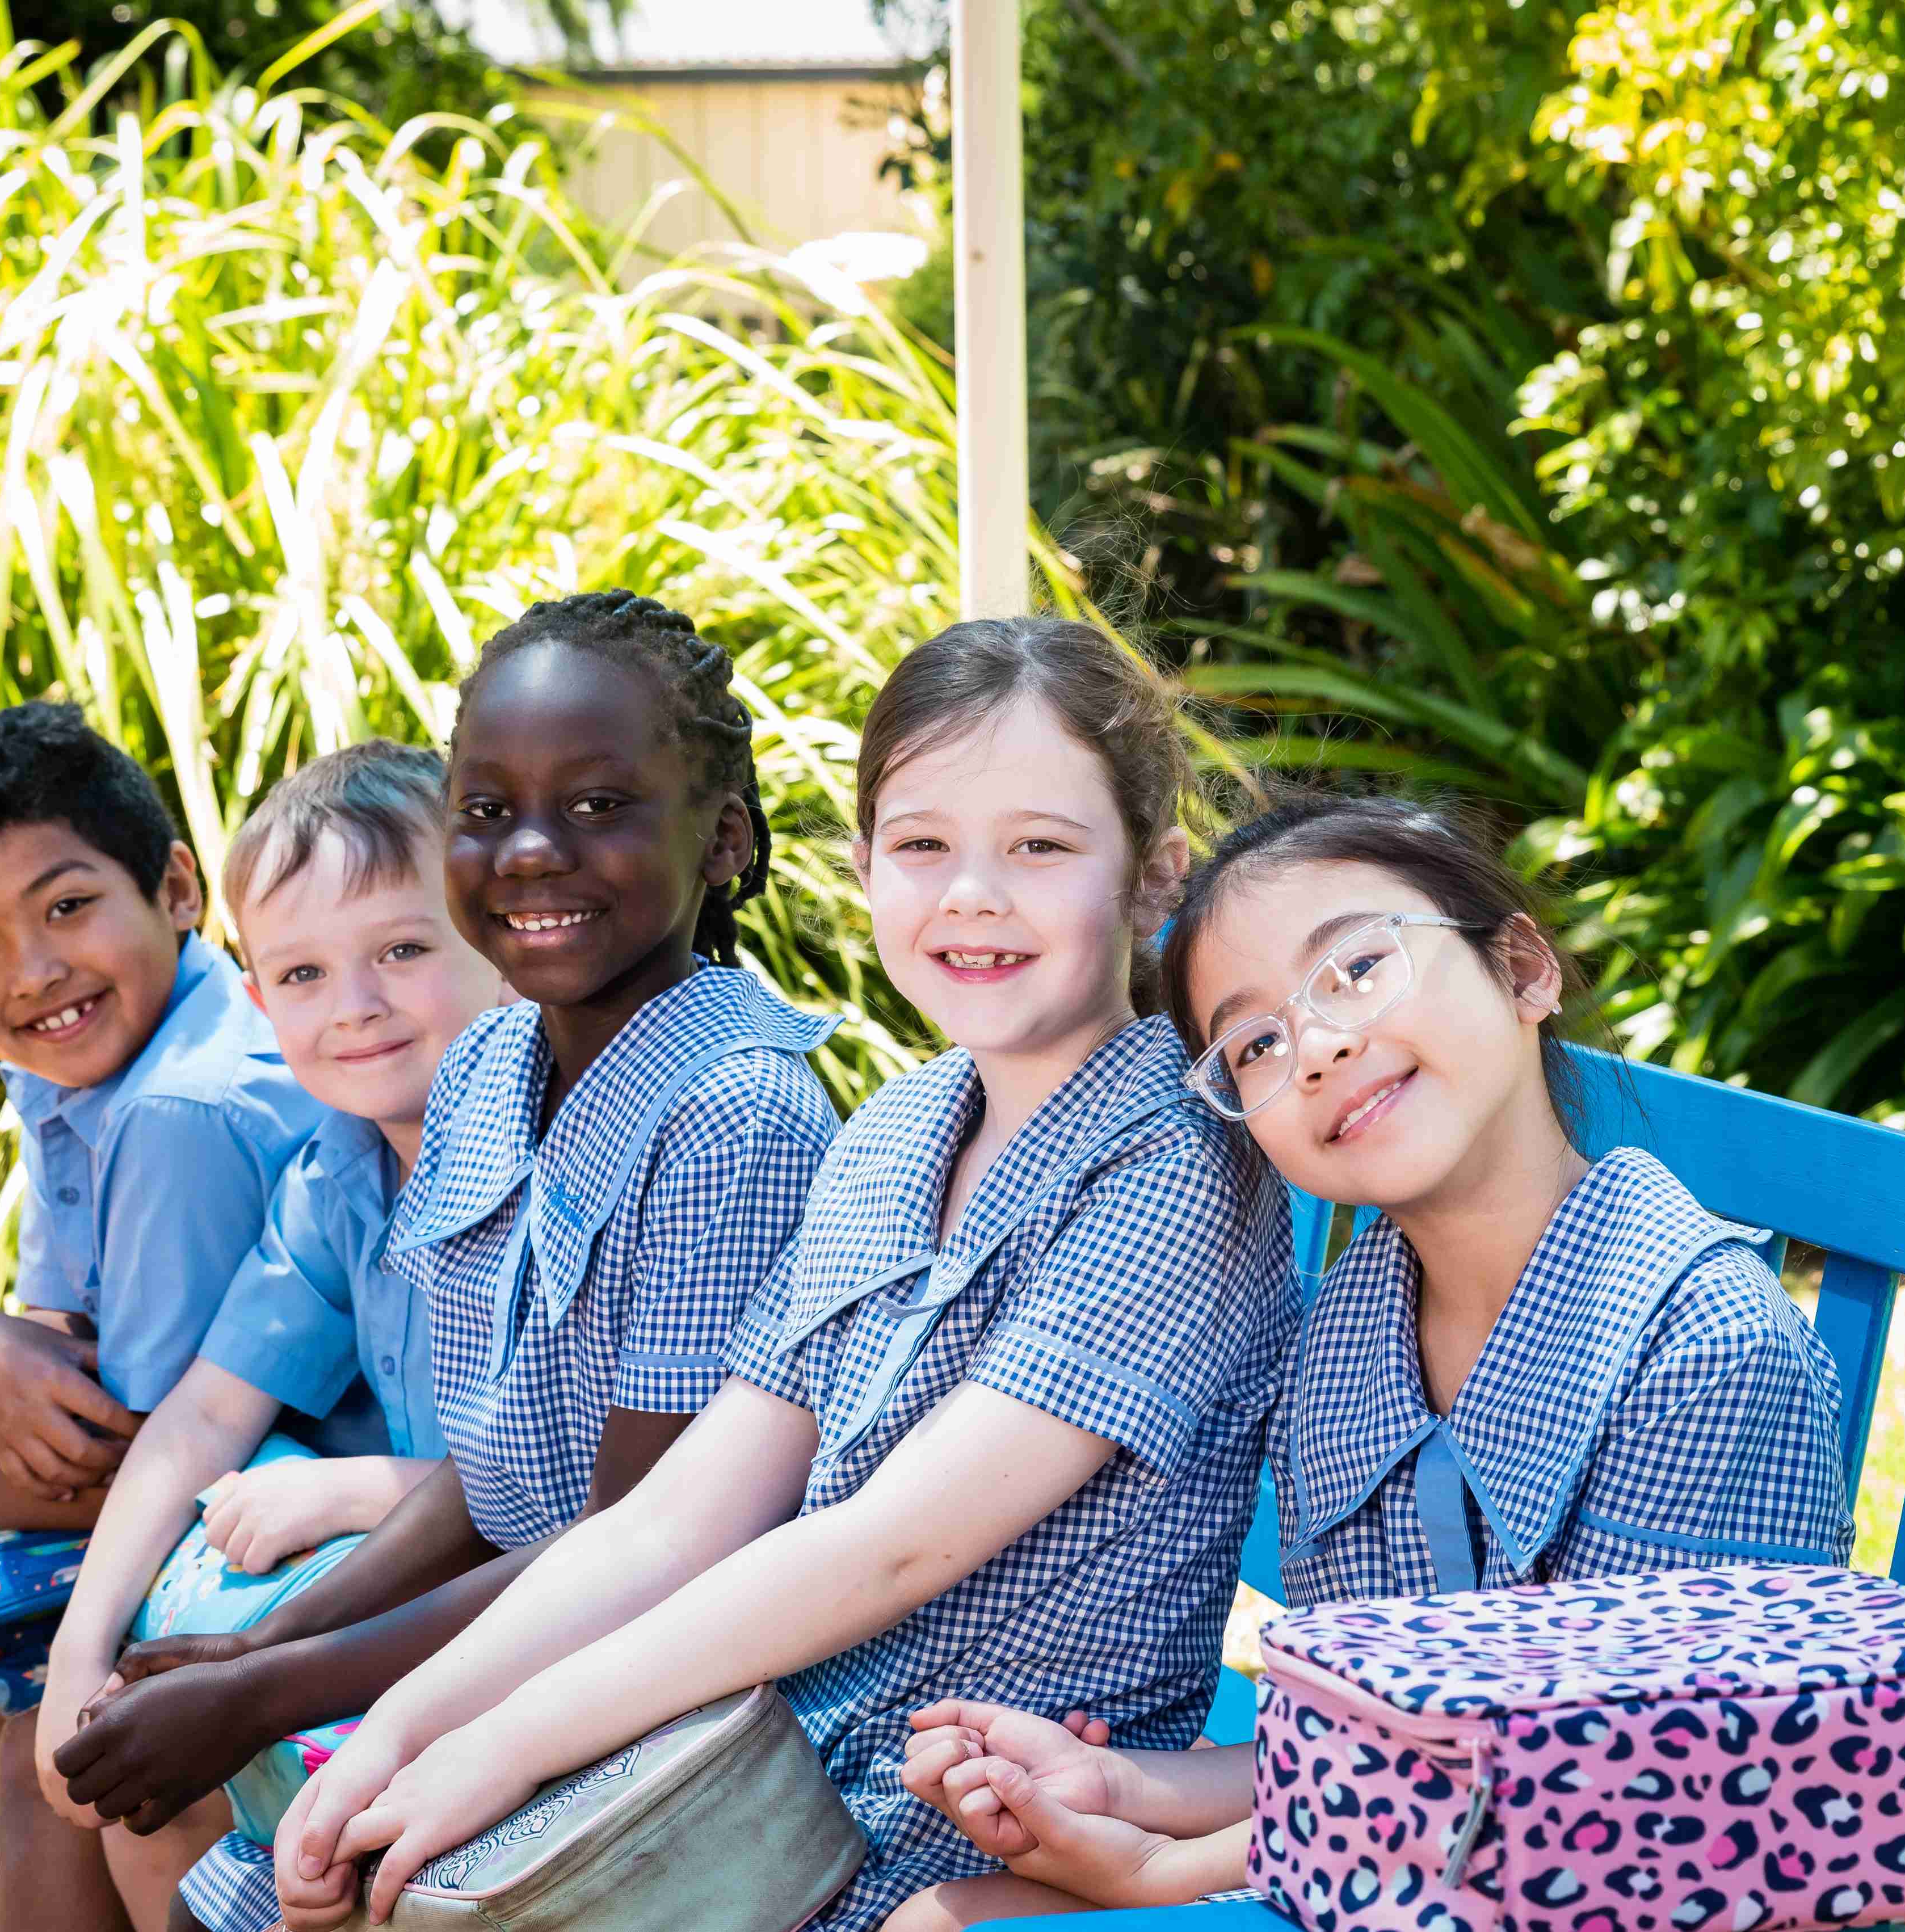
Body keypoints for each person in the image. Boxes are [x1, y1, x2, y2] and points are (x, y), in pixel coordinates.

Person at [264, 616, 1298, 1932]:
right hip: (749, 1784)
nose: (971, 893)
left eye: (1039, 845)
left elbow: (881, 1546)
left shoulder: (1178, 1167)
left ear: (1155, 874)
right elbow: (678, 1515)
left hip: (977, 1823)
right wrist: (403, 1730)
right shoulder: (896, 1133)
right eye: (922, 845)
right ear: (864, 864)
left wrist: (507, 1742)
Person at [889, 790, 1854, 1925]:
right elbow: (1375, 1746)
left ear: (1525, 969)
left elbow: (1635, 1800)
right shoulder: (1352, 1339)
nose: (1322, 1044)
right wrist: (1124, 1785)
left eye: (1356, 967)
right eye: (1254, 1042)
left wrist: (1170, 1870)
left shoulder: (1703, 1350)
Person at [47, 590, 843, 1932]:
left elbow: (632, 1547)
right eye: (488, 809)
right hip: (484, 1653)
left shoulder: (734, 1110)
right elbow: (499, 1471)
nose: (532, 852)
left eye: (599, 806)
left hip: (642, 1713)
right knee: (208, 1889)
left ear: (725, 840)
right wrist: (259, 1646)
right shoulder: (489, 1066)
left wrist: (270, 1687)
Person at [0, 741, 508, 1931]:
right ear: (263, 1001)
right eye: (307, 973)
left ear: (497, 946)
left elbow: (607, 1486)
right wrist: (80, 1651)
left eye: (405, 950)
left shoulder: (551, 1159)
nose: (358, 1004)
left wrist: (362, 1488)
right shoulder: (343, 1170)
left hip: (521, 1626)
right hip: (407, 1604)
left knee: (191, 1764)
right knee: (98, 1750)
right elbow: (202, 1415)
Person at [0, 701, 331, 1812]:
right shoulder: (77, 1052)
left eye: (68, 906)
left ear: (179, 890)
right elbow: (63, 1343)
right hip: (203, 1454)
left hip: (302, 1496)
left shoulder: (184, 1108)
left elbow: (145, 1451)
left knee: (41, 1738)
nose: (36, 971)